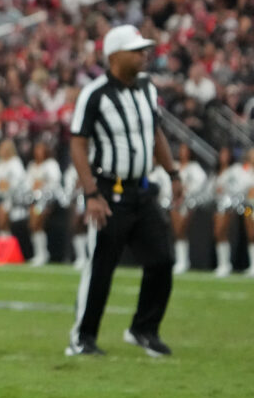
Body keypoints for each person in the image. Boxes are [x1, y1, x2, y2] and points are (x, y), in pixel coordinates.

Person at [65, 25, 183, 357]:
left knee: (162, 259)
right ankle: (83, 338)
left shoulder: (146, 87)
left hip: (142, 190)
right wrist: (91, 194)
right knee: (101, 266)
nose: (144, 55)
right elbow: (77, 144)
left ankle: (143, 329)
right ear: (115, 56)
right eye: (136, 50)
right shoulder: (95, 93)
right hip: (108, 190)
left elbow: (155, 132)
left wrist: (173, 172)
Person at [211, 146, 254, 277]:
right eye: (252, 154)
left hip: (250, 206)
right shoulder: (239, 170)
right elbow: (227, 184)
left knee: (252, 233)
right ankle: (224, 265)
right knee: (221, 231)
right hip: (245, 206)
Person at [169, 142, 209, 274]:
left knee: (181, 230)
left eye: (185, 150)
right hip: (175, 202)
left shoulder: (194, 167)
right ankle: (181, 260)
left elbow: (201, 181)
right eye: (181, 150)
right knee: (176, 231)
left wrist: (187, 191)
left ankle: (183, 261)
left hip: (187, 203)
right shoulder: (175, 166)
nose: (182, 153)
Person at [23, 140, 62, 266]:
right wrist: (32, 188)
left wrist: (42, 186)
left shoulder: (51, 164)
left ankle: (42, 254)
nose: (38, 152)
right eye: (36, 149)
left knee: (37, 223)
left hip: (46, 201)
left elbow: (54, 182)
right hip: (33, 200)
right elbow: (27, 183)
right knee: (33, 225)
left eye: (40, 149)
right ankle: (40, 253)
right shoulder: (32, 165)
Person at [0, 137, 26, 261]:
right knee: (1, 224)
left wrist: (8, 188)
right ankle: (2, 251)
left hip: (11, 199)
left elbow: (19, 181)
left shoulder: (15, 163)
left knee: (4, 222)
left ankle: (6, 250)